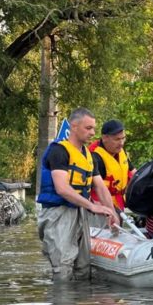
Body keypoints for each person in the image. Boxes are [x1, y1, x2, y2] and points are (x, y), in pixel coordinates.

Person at [36, 108, 120, 280]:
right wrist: (92, 206)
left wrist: (112, 213)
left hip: (79, 212)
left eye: (93, 128)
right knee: (63, 266)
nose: (93, 133)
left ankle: (81, 304)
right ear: (74, 126)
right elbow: (62, 188)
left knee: (83, 266)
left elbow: (100, 187)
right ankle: (62, 304)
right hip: (58, 213)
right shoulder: (58, 151)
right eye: (88, 128)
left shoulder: (89, 156)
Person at [88, 119, 135, 212]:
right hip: (102, 206)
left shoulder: (121, 152)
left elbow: (133, 173)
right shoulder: (95, 157)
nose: (121, 143)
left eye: (123, 138)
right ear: (105, 138)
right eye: (117, 139)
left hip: (120, 203)